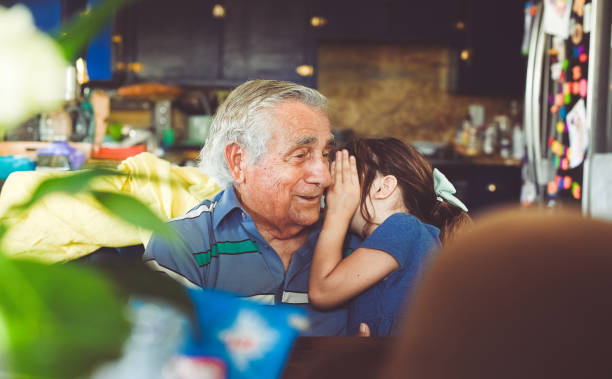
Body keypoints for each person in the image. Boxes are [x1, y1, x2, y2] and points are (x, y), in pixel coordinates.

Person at [143, 79, 362, 336]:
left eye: (325, 154)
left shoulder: (355, 240)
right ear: (239, 161)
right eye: (300, 155)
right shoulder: (182, 245)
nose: (323, 176)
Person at [309, 137, 471, 336]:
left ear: (383, 188)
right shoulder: (373, 241)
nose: (331, 189)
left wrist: (337, 213)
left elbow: (322, 292)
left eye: (344, 179)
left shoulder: (403, 227)